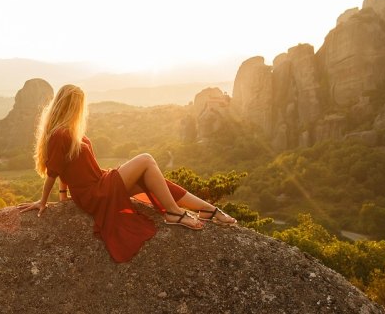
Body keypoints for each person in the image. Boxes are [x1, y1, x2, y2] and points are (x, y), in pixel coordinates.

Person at [18, 84, 236, 262]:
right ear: (70, 105)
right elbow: (54, 171)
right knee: (146, 159)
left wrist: (65, 196)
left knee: (152, 179)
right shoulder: (60, 134)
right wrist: (43, 201)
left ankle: (208, 209)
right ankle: (174, 213)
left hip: (100, 182)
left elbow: (66, 167)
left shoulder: (68, 132)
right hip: (95, 193)